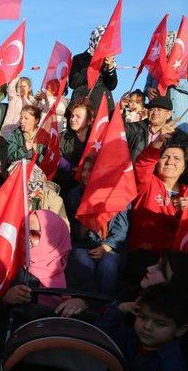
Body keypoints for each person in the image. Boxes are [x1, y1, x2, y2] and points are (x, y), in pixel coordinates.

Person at [97, 283, 188, 371]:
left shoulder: (171, 368)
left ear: (180, 330)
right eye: (143, 317)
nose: (147, 327)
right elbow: (101, 336)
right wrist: (119, 309)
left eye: (160, 324)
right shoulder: (131, 338)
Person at [126, 132, 188, 284]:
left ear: (184, 167)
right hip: (144, 254)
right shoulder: (147, 182)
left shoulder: (186, 191)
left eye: (177, 158)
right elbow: (142, 163)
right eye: (165, 157)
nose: (169, 162)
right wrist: (158, 141)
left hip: (176, 259)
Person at [2, 210, 91, 316]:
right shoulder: (9, 264)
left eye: (34, 233)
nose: (25, 237)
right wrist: (5, 299)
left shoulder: (76, 266)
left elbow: (97, 302)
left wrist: (81, 302)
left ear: (53, 236)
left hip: (65, 330)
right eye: (23, 230)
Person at [65, 158, 128, 297]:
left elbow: (121, 230)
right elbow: (71, 232)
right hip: (83, 245)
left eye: (90, 170)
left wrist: (105, 247)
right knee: (82, 261)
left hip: (110, 247)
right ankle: (84, 303)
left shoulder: (116, 194)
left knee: (108, 265)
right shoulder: (74, 195)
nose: (85, 174)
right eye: (84, 170)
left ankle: (106, 305)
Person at [68, 26, 118, 112]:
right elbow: (73, 83)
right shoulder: (78, 58)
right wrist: (92, 66)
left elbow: (112, 85)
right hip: (80, 103)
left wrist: (110, 67)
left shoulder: (107, 60)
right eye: (102, 41)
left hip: (102, 104)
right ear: (95, 40)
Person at [124, 95, 188, 161]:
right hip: (132, 169)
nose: (155, 113)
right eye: (151, 109)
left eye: (159, 110)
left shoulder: (178, 137)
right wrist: (120, 110)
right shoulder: (134, 128)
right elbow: (119, 132)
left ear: (169, 114)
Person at [56, 99, 95, 193]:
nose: (73, 119)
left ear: (89, 121)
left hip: (86, 190)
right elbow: (55, 156)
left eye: (78, 117)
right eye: (72, 116)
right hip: (63, 186)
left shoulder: (95, 140)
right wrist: (71, 167)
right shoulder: (63, 136)